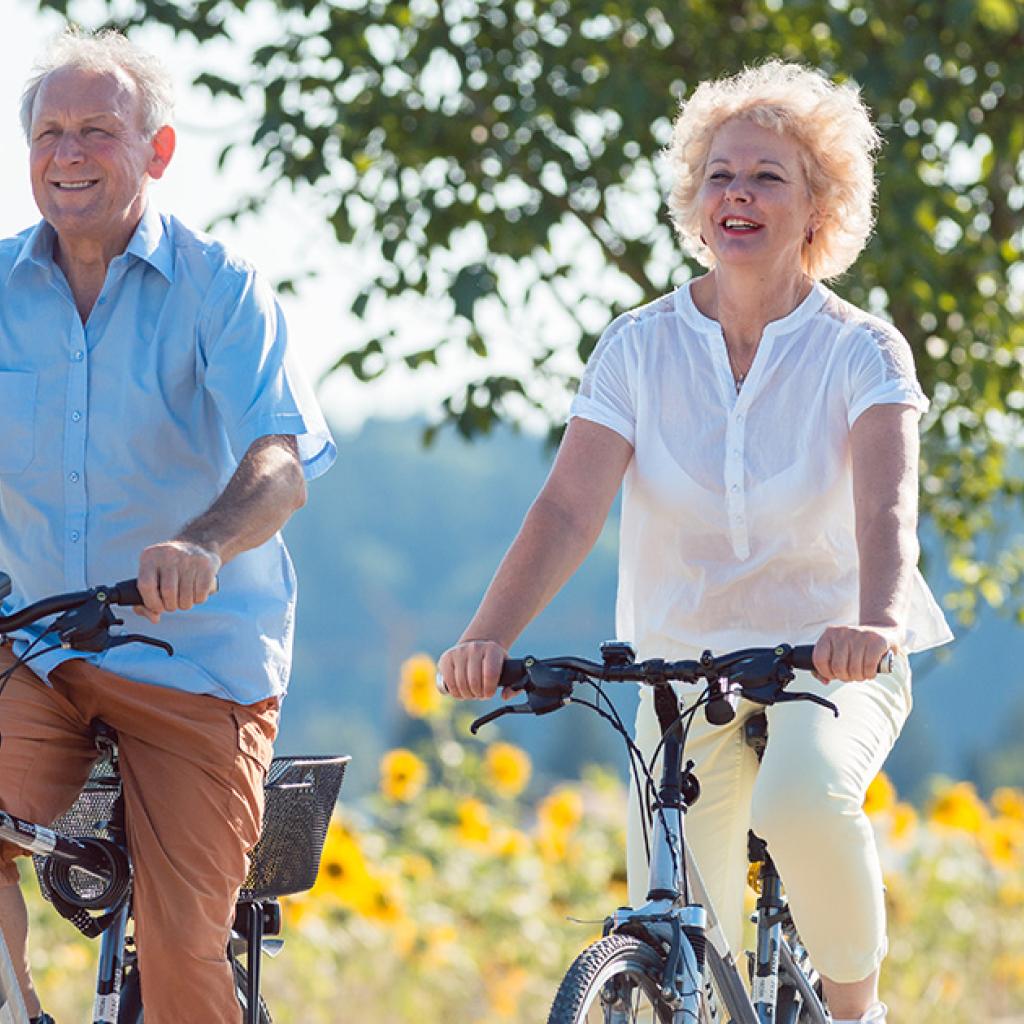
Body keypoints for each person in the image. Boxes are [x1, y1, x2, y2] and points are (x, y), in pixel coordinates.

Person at [439, 60, 952, 1024]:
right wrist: (487, 636)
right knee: (679, 927)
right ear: (695, 200)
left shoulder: (862, 349)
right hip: (681, 668)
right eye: (720, 175)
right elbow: (567, 509)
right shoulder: (638, 346)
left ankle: (857, 1011)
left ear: (818, 205)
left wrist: (877, 623)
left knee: (799, 799)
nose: (738, 194)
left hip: (831, 657)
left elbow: (886, 512)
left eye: (767, 176)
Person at [0, 28, 335, 1024]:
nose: (69, 153)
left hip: (194, 662)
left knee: (183, 951)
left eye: (96, 131)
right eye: (50, 133)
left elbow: (280, 464)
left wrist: (203, 542)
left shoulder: (217, 285)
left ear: (157, 150)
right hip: (36, 650)